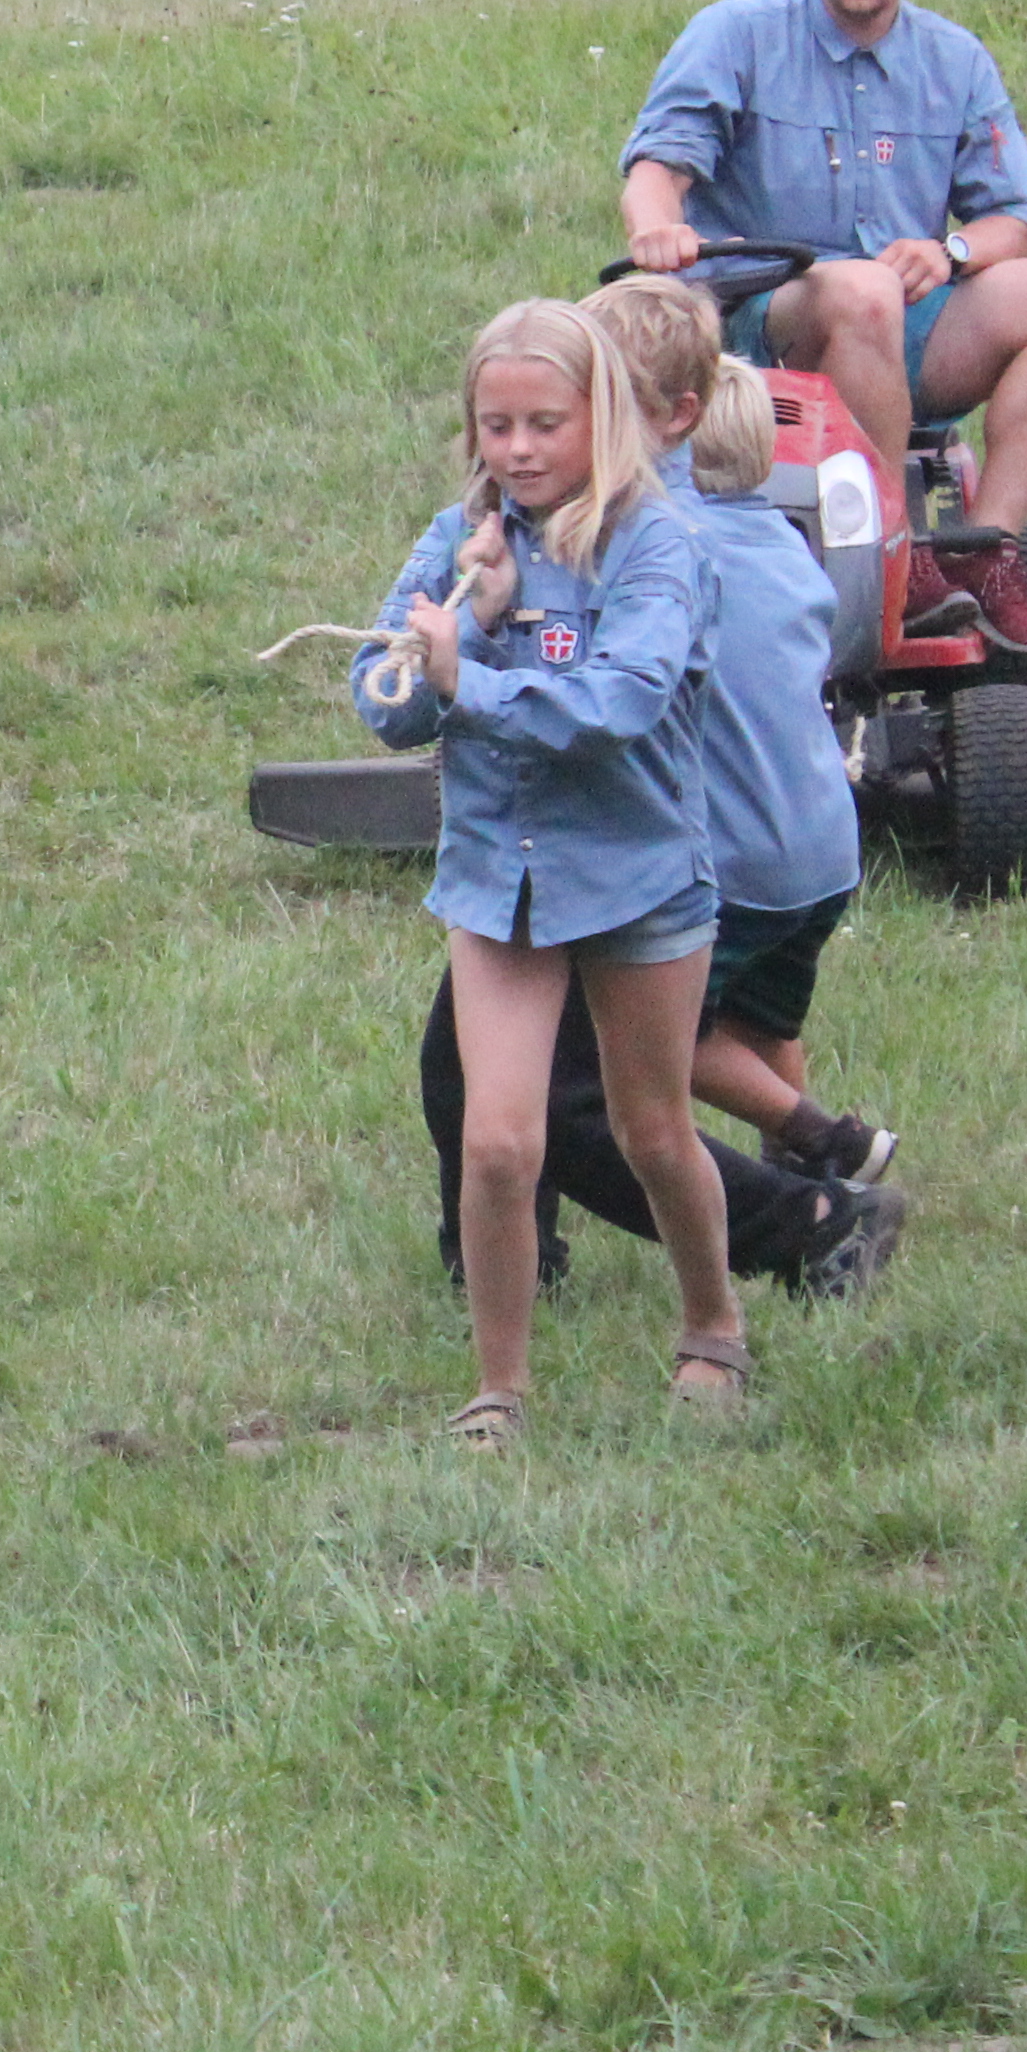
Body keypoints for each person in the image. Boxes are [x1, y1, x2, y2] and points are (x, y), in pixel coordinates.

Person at [356, 302, 749, 1444]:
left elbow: (623, 704)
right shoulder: (459, 538)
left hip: (638, 878)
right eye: (495, 426)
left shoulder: (659, 545)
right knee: (497, 1142)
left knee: (653, 1132)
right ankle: (500, 1390)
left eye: (544, 423)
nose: (517, 450)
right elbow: (379, 706)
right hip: (499, 882)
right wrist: (462, 629)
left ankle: (713, 1323)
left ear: (604, 417)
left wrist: (469, 683)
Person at [618, 0, 1027, 647]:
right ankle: (894, 557)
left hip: (907, 324)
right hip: (759, 333)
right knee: (859, 287)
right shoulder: (735, 35)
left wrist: (952, 255)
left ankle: (984, 553)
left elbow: (1014, 219)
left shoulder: (954, 59)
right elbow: (657, 166)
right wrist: (655, 225)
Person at [586, 275, 903, 1200]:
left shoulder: (658, 551)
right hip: (825, 854)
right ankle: (822, 1194)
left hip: (738, 865)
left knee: (648, 1037)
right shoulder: (785, 553)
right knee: (767, 1024)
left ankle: (821, 1139)